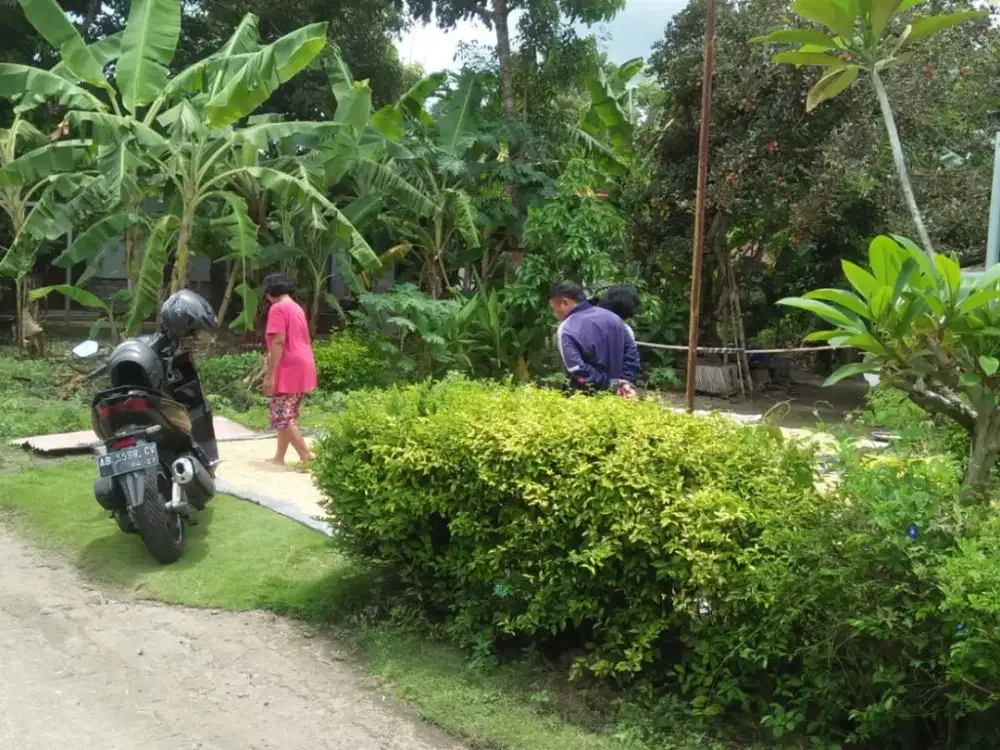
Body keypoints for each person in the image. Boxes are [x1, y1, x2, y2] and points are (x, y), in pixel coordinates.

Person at [262, 273, 317, 469]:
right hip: (303, 362)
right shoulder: (296, 307)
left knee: (282, 416)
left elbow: (278, 341)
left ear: (269, 293)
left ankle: (306, 456)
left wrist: (270, 375)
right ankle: (279, 457)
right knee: (288, 413)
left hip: (289, 364)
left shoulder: (278, 308)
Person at [549, 281, 639, 398]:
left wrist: (610, 385)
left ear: (564, 302)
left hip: (585, 400)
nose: (554, 314)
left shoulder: (567, 328)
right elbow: (631, 354)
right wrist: (625, 382)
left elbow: (577, 368)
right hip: (620, 396)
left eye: (554, 309)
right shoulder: (614, 319)